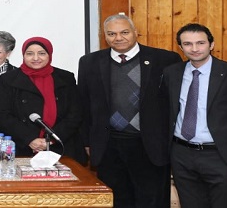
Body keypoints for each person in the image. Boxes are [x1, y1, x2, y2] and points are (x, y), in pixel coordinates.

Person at [77, 13, 182, 208]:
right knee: (116, 201)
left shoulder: (165, 59)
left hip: (150, 146)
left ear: (135, 32)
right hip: (109, 146)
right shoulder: (89, 62)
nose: (118, 38)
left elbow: (176, 104)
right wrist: (87, 142)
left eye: (124, 32)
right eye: (112, 34)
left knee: (151, 201)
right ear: (105, 36)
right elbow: (83, 104)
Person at [164, 23, 227, 208]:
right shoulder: (172, 73)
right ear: (180, 47)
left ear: (212, 44)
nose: (194, 48)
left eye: (200, 43)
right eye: (188, 44)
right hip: (182, 156)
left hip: (222, 157)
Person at [0, 37, 86, 163]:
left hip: (61, 145)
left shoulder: (65, 77)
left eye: (41, 53)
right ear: (23, 55)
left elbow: (75, 114)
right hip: (22, 146)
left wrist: (51, 139)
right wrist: (30, 139)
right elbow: (1, 114)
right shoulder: (9, 79)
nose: (36, 58)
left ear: (49, 55)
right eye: (30, 54)